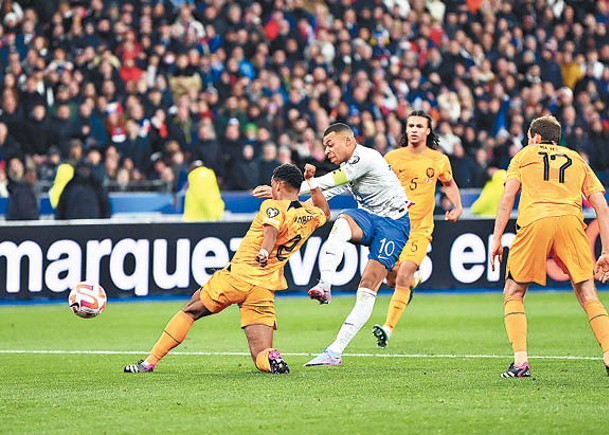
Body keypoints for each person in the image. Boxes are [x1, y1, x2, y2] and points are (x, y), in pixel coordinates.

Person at [124, 164, 330, 374]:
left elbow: (271, 230)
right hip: (264, 288)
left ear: (278, 184)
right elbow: (325, 211)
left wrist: (265, 252)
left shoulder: (273, 207)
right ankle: (272, 358)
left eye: (272, 184)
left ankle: (149, 362)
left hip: (237, 277)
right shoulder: (308, 214)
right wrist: (312, 182)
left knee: (191, 310)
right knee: (260, 352)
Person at [254, 123, 412, 366]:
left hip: (395, 225)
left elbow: (326, 181)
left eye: (330, 144)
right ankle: (325, 283)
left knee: (368, 286)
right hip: (369, 217)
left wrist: (284, 187)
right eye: (324, 146)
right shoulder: (349, 168)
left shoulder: (366, 158)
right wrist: (285, 198)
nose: (327, 151)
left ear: (349, 141)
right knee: (341, 223)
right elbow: (321, 194)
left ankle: (335, 351)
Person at [490, 115, 609, 378]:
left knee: (513, 292)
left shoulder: (524, 155)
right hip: (571, 223)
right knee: (588, 294)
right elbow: (602, 206)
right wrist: (606, 252)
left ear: (534, 137)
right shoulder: (577, 159)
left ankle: (521, 363)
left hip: (536, 222)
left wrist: (497, 238)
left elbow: (508, 197)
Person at [373, 110, 463, 348]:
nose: (413, 129)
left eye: (418, 126)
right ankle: (413, 283)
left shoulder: (438, 160)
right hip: (393, 227)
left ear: (427, 131)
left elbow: (449, 183)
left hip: (420, 228)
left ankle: (387, 328)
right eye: (410, 125)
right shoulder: (392, 158)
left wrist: (457, 206)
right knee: (391, 277)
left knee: (403, 275)